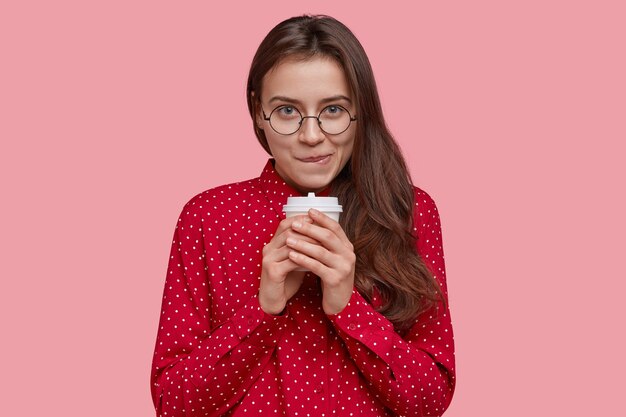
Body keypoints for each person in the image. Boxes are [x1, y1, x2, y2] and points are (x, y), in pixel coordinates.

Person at [150, 14, 455, 417]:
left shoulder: (407, 211)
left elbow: (430, 400)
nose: (311, 136)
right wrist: (264, 308)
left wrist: (349, 307)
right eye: (288, 111)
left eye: (332, 110)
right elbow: (174, 404)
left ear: (360, 111)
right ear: (259, 111)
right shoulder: (208, 217)